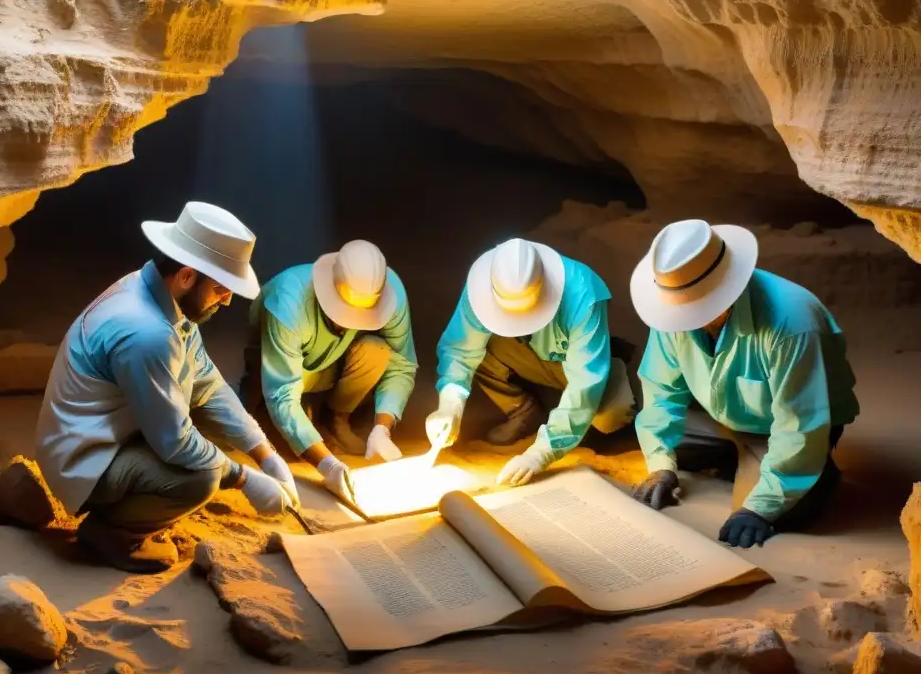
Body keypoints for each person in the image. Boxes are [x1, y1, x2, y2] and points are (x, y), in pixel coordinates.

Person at [36, 202, 296, 574]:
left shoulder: (157, 292)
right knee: (202, 476)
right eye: (221, 288)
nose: (227, 300)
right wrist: (244, 478)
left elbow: (206, 382)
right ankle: (112, 533)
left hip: (101, 431)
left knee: (206, 441)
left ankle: (131, 504)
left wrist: (264, 453)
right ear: (188, 276)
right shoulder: (148, 333)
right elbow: (175, 442)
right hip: (82, 460)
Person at [629, 219, 859, 548]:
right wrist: (661, 466)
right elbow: (661, 393)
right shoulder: (672, 308)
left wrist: (759, 509)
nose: (684, 319)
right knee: (650, 436)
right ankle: (739, 456)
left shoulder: (792, 323)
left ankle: (816, 470)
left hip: (792, 426)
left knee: (782, 510)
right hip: (720, 412)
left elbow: (799, 425)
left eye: (696, 308)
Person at [426, 238, 635, 486]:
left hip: (577, 362)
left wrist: (541, 453)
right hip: (525, 349)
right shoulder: (483, 284)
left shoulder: (582, 290)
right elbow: (460, 349)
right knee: (476, 347)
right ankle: (523, 411)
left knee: (611, 417)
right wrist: (450, 404)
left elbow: (584, 384)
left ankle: (610, 368)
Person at [241, 240, 418, 502]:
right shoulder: (288, 300)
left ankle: (337, 421)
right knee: (283, 444)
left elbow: (402, 362)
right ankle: (258, 408)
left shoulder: (389, 292)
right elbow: (281, 392)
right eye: (344, 314)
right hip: (278, 369)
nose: (348, 324)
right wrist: (328, 466)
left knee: (377, 350)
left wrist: (384, 425)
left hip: (332, 360)